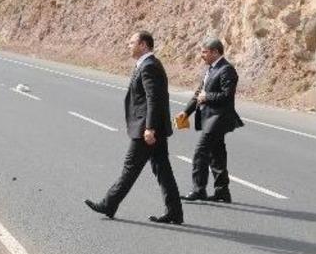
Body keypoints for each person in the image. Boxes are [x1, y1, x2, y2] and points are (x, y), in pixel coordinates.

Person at [85, 31, 183, 224]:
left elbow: (153, 99)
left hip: (147, 129)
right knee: (163, 170)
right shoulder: (148, 64)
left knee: (130, 168)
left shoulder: (149, 67)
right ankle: (175, 212)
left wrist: (149, 128)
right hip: (154, 127)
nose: (128, 45)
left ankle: (109, 203)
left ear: (144, 45)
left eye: (132, 42)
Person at [178, 38, 244, 203]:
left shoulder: (227, 70)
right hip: (209, 117)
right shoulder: (211, 69)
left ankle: (198, 190)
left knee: (200, 152)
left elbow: (227, 95)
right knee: (217, 155)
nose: (202, 55)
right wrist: (186, 113)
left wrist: (208, 96)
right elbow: (198, 94)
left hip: (219, 118)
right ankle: (222, 191)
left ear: (216, 52)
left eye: (205, 52)